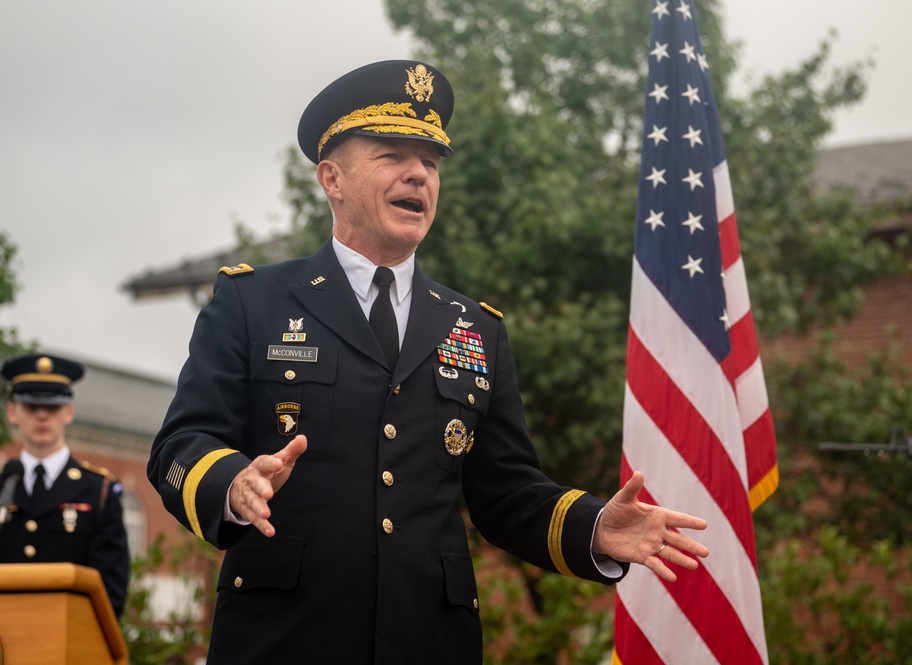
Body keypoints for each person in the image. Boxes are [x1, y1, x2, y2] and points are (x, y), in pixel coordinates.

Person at [148, 59, 709, 663]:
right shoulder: (252, 301)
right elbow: (182, 443)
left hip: (431, 643)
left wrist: (593, 528)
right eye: (393, 154)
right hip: (285, 639)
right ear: (331, 178)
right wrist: (233, 483)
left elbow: (508, 492)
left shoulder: (476, 329)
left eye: (431, 163)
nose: (418, 174)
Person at [1, 354, 130, 617]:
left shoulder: (99, 492)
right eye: (30, 406)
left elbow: (110, 594)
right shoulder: (4, 486)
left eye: (52, 407)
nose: (41, 415)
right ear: (12, 412)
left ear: (69, 411)